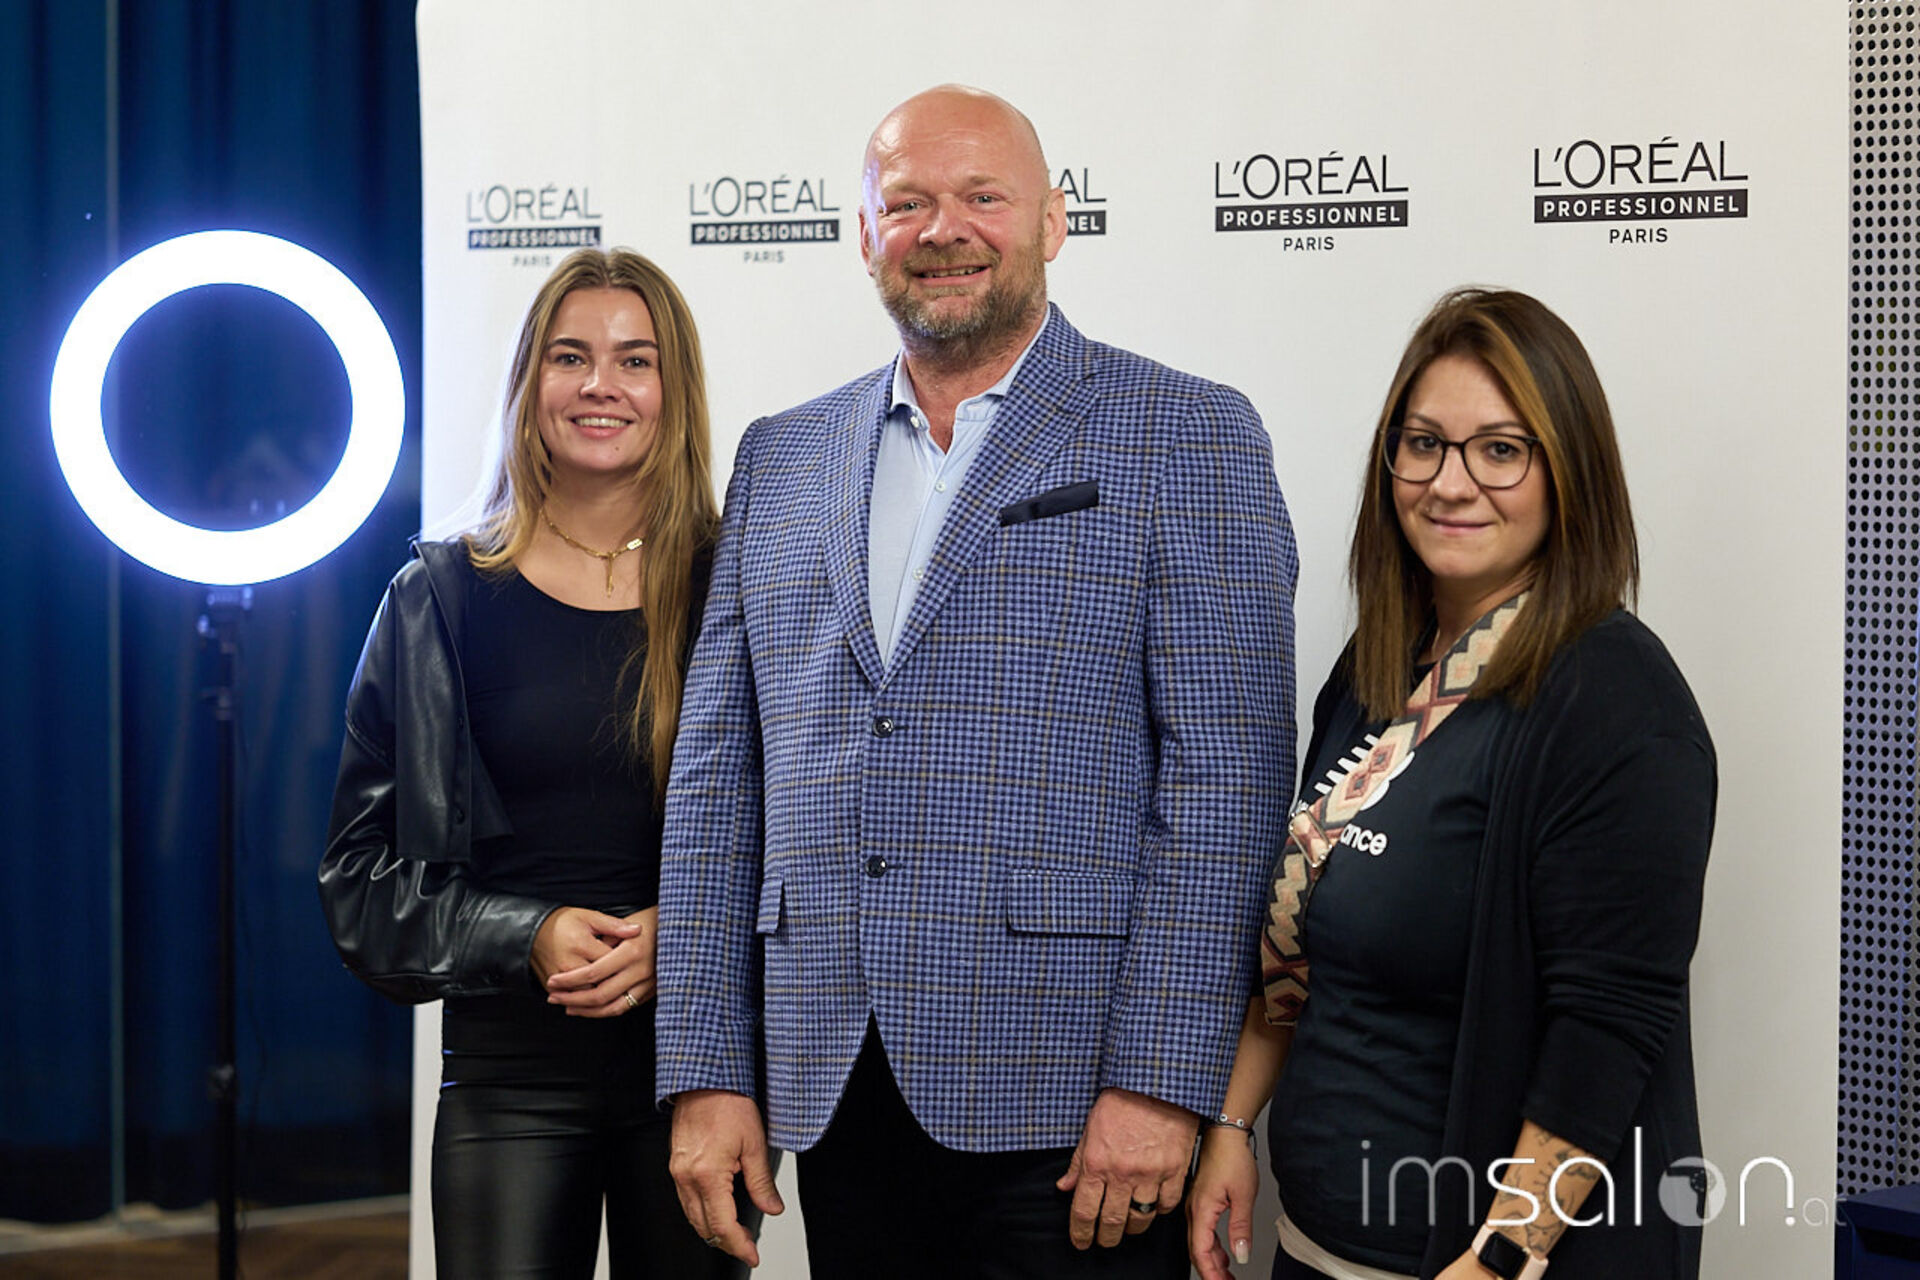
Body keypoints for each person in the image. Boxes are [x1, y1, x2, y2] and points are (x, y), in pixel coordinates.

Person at [654, 84, 1297, 1278]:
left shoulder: (1184, 432)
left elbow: (1228, 781)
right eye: (906, 202)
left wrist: (1161, 1080)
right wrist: (705, 1063)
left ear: (1054, 220)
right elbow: (715, 782)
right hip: (834, 1082)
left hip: (1078, 1103)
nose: (942, 229)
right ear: (864, 234)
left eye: (982, 197)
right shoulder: (781, 455)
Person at [1187, 287, 1716, 1280]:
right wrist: (1231, 1122)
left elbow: (1608, 1028)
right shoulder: (1378, 664)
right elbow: (1304, 941)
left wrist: (1503, 1255)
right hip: (1314, 1245)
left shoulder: (1616, 699)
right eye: (1423, 443)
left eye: (1500, 450)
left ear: (1570, 471)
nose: (1450, 482)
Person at [319, 247, 756, 1278]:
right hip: (507, 1077)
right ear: (530, 380)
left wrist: (687, 936)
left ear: (674, 390)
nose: (601, 383)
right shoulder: (437, 598)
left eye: (635, 360)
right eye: (570, 356)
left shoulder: (741, 585)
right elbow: (360, 884)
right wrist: (531, 934)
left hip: (700, 1069)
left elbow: (814, 843)